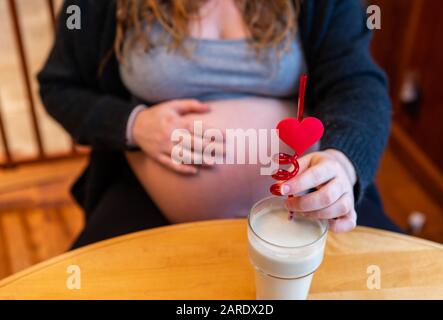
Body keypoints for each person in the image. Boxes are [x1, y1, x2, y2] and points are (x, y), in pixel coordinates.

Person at [38, 0, 401, 249]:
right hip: (146, 197)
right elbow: (59, 85)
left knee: (392, 279)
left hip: (309, 200)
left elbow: (357, 82)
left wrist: (342, 162)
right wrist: (133, 124)